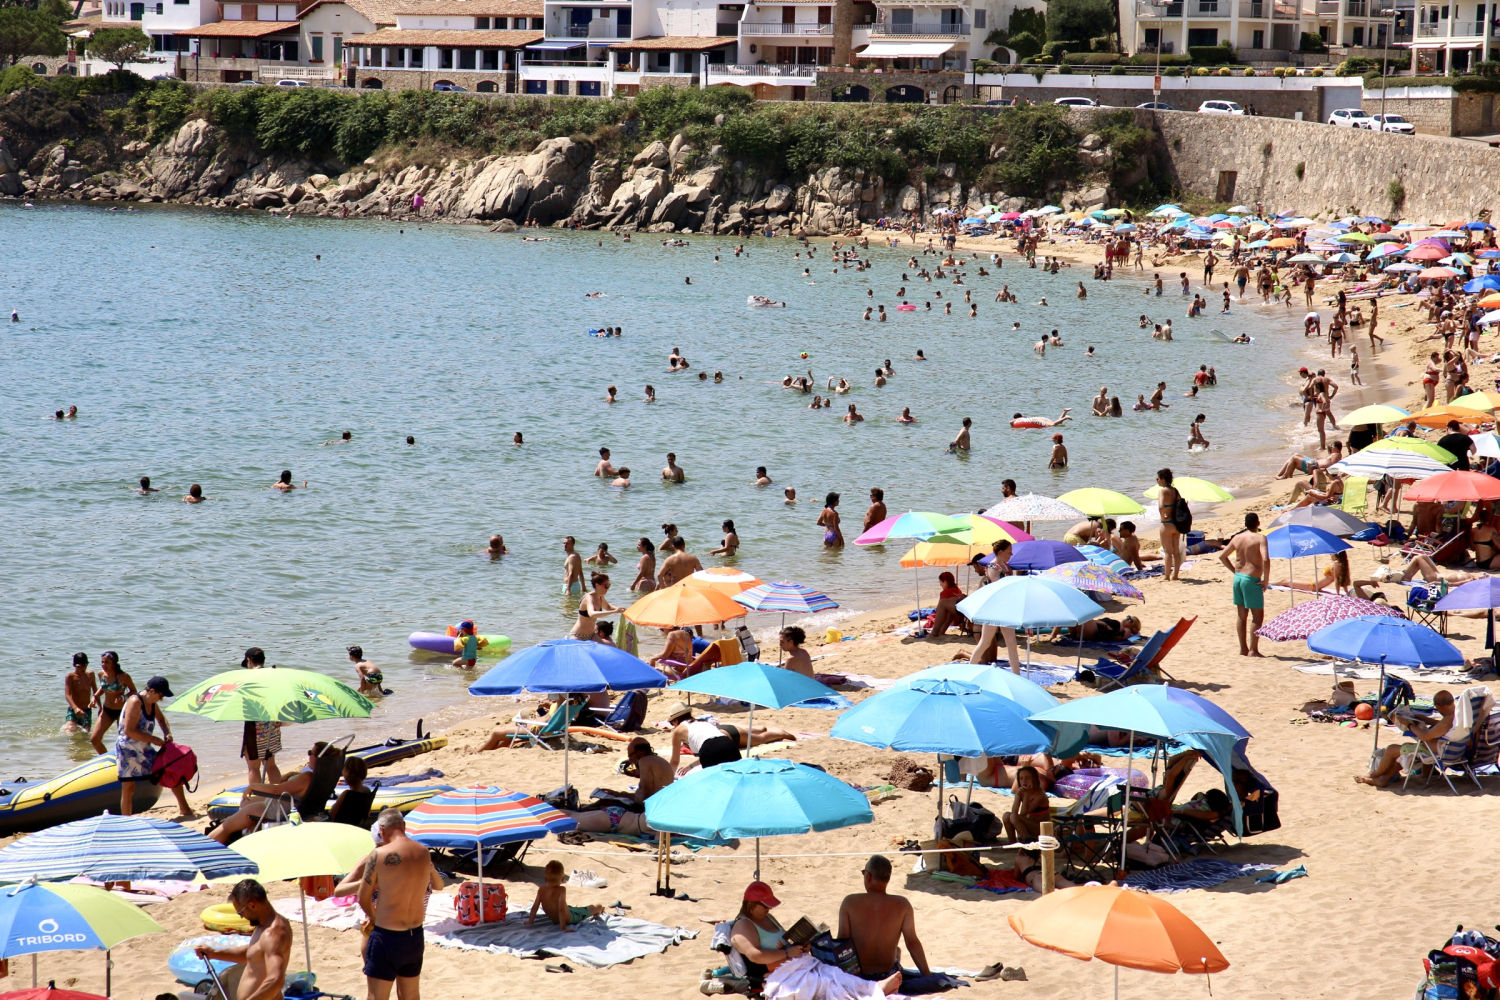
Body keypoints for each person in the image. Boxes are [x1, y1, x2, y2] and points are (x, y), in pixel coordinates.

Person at [360, 809, 443, 1000]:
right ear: (404, 826)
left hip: (387, 935)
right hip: (414, 937)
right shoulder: (423, 852)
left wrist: (373, 916)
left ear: (381, 830)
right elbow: (437, 885)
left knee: (377, 996)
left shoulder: (378, 854)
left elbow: (363, 897)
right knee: (411, 996)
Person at [211, 743, 331, 843]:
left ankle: (204, 850)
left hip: (278, 810)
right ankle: (250, 836)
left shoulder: (307, 777)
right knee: (247, 805)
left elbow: (277, 790)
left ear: (318, 758)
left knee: (227, 825)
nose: (309, 755)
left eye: (310, 753)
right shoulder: (324, 777)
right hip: (293, 807)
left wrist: (253, 786)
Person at [836, 856, 929, 983]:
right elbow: (912, 943)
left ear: (868, 876)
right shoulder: (903, 904)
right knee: (897, 950)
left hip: (859, 976)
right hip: (887, 975)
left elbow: (842, 943)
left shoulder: (850, 902)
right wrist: (927, 975)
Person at [195, 881, 292, 1000]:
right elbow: (252, 952)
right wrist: (213, 953)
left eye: (240, 912)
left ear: (252, 905)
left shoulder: (274, 933)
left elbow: (276, 980)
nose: (241, 916)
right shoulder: (263, 926)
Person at [116, 675, 194, 819]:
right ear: (152, 691)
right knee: (128, 787)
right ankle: (126, 820)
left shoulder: (151, 703)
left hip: (145, 747)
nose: (161, 699)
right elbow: (129, 731)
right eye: (161, 695)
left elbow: (162, 719)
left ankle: (185, 809)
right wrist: (154, 740)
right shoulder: (135, 701)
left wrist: (167, 733)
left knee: (170, 770)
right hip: (128, 749)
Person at [1358, 690, 1456, 787]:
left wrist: (1409, 724)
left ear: (1438, 706)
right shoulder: (1456, 716)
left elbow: (1424, 736)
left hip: (1436, 752)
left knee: (1391, 749)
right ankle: (1383, 779)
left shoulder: (1448, 720)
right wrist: (1426, 719)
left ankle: (1373, 776)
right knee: (1404, 754)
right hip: (1452, 751)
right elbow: (1442, 727)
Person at [1219, 513, 1268, 657]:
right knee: (1257, 617)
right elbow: (1266, 559)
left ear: (1245, 524)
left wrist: (1234, 571)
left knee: (1241, 616)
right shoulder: (1260, 538)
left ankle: (1243, 649)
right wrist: (1266, 580)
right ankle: (1253, 650)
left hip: (1238, 578)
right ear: (1258, 524)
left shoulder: (1237, 538)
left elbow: (1222, 556)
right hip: (1251, 579)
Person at [240, 648, 283, 785]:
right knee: (270, 765)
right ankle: (277, 793)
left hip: (254, 727)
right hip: (272, 725)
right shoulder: (273, 676)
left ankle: (258, 795)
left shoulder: (248, 679)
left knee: (253, 767)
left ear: (249, 660)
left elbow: (246, 704)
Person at [529, 860, 605, 931]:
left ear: (545, 879)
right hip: (570, 917)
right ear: (562, 879)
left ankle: (574, 909)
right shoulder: (561, 890)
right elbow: (561, 910)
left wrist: (530, 922)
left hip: (557, 917)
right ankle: (600, 908)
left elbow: (535, 907)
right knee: (593, 907)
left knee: (572, 908)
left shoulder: (541, 890)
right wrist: (563, 928)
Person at [666, 702, 741, 770]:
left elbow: (675, 762)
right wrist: (690, 766)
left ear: (675, 720)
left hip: (709, 749)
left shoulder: (678, 730)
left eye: (672, 723)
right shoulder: (703, 722)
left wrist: (669, 779)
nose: (673, 726)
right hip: (730, 745)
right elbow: (715, 747)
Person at [88, 650, 136, 754]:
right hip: (107, 711)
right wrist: (95, 697)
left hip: (122, 712)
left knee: (124, 741)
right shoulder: (101, 674)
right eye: (102, 662)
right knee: (94, 739)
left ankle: (126, 759)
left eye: (107, 662)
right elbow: (104, 687)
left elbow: (133, 691)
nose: (103, 664)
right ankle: (106, 759)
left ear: (114, 663)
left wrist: (123, 697)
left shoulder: (123, 676)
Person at [1001, 766, 1049, 846]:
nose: (1024, 781)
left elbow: (1023, 813)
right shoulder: (1022, 792)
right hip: (1028, 824)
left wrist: (1026, 796)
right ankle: (1012, 843)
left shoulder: (1040, 795)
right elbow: (1014, 811)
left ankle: (1027, 841)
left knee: (1014, 817)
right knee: (1006, 815)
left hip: (1040, 828)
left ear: (1034, 779)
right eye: (1021, 778)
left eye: (1027, 778)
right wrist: (1017, 796)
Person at [572, 574, 622, 641]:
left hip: (592, 635)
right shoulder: (589, 597)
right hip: (578, 635)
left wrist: (620, 609)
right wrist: (614, 611)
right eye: (606, 586)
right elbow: (592, 614)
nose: (607, 588)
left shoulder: (600, 596)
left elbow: (608, 607)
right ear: (597, 585)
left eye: (609, 585)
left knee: (611, 645)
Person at [1156, 468, 1182, 581]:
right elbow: (1181, 503)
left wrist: (1164, 514)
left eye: (1157, 478)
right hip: (1176, 524)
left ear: (1163, 479)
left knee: (1167, 552)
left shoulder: (1163, 491)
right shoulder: (1175, 490)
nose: (1156, 480)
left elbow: (1161, 506)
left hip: (1166, 524)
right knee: (1176, 552)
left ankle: (1167, 576)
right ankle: (1175, 575)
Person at [927, 572, 968, 638]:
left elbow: (939, 609)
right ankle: (941, 632)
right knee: (948, 611)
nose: (940, 584)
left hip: (955, 618)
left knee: (942, 604)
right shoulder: (957, 590)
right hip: (959, 618)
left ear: (945, 582)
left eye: (941, 582)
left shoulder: (944, 593)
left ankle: (935, 632)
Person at [64, 652, 96, 735]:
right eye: (78, 667)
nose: (81, 669)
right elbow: (67, 695)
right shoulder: (70, 677)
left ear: (87, 664)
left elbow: (95, 692)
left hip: (86, 711)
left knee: (85, 734)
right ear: (74, 665)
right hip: (73, 710)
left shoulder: (91, 675)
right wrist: (75, 708)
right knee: (69, 731)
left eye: (84, 666)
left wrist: (94, 700)